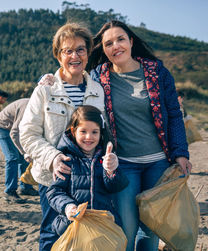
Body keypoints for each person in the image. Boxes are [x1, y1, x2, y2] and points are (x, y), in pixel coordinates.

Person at [88, 20, 192, 251]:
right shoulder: (97, 78)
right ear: (103, 50)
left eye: (120, 39)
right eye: (108, 43)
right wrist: (50, 80)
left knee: (151, 230)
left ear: (131, 41)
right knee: (126, 228)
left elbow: (174, 114)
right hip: (123, 165)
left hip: (158, 162)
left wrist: (181, 153)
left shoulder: (157, 72)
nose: (116, 46)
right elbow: (72, 82)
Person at [19, 23, 105, 251]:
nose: (75, 56)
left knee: (85, 240)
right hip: (52, 179)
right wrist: (53, 158)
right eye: (68, 51)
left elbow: (104, 133)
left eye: (80, 49)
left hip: (90, 181)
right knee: (53, 235)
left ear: (88, 53)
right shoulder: (45, 91)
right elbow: (27, 133)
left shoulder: (98, 91)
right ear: (58, 56)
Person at [46, 105, 128, 236]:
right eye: (83, 131)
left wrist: (112, 170)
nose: (89, 137)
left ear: (101, 132)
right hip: (73, 225)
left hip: (102, 225)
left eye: (94, 132)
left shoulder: (106, 158)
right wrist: (68, 206)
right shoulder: (67, 159)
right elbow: (54, 192)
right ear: (73, 131)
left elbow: (117, 187)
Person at [0, 98, 39, 203]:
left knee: (24, 160)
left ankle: (25, 187)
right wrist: (24, 152)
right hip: (3, 128)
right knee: (12, 158)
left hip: (16, 130)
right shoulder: (28, 108)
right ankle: (9, 191)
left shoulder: (40, 108)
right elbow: (14, 132)